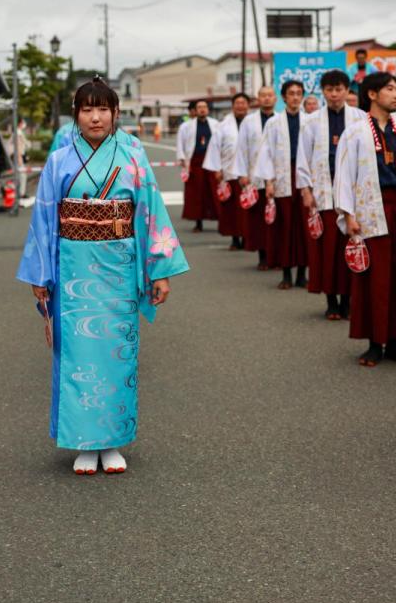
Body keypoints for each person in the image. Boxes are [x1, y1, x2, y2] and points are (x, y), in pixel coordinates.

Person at [17, 78, 188, 475]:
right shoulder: (60, 160)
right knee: (76, 356)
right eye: (87, 109)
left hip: (119, 269)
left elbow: (150, 212)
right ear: (75, 115)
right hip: (73, 271)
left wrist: (159, 272)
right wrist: (40, 273)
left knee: (117, 355)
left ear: (115, 114)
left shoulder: (132, 156)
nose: (95, 117)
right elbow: (44, 219)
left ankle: (112, 441)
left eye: (103, 109)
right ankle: (82, 441)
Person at [333, 72, 396, 367]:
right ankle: (375, 342)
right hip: (372, 208)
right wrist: (348, 214)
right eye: (390, 89)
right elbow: (344, 174)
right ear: (372, 95)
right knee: (375, 278)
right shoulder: (355, 132)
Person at [296, 70, 363, 320]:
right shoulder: (311, 121)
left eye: (339, 89)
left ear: (347, 91)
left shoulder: (360, 118)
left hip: (352, 194)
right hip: (323, 193)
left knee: (351, 246)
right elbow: (303, 157)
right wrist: (305, 189)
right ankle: (331, 301)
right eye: (329, 90)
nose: (334, 94)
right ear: (323, 92)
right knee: (327, 250)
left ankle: (348, 299)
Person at [256, 80, 308, 289]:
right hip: (281, 176)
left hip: (304, 177)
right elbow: (266, 153)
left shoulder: (311, 120)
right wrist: (268, 181)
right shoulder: (274, 123)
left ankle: (302, 274)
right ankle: (286, 273)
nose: (295, 97)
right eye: (291, 93)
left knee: (304, 226)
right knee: (285, 226)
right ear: (284, 97)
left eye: (298, 93)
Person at [235, 85, 276, 268]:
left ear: (275, 99)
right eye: (263, 96)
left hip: (278, 178)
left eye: (270, 95)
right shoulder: (249, 122)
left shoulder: (280, 120)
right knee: (260, 220)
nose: (267, 98)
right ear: (258, 99)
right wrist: (242, 174)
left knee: (277, 220)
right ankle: (263, 257)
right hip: (255, 177)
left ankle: (277, 257)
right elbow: (241, 148)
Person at [204, 92, 250, 250]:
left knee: (248, 209)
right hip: (229, 171)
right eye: (238, 103)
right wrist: (217, 169)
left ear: (248, 106)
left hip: (249, 174)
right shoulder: (223, 125)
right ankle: (235, 239)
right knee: (232, 210)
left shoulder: (253, 123)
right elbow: (214, 147)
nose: (241, 106)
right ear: (233, 106)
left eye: (243, 103)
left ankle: (247, 238)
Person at [178, 98, 219, 231]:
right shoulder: (186, 126)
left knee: (214, 191)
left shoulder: (216, 124)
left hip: (212, 162)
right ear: (195, 110)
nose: (202, 109)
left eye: (204, 107)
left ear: (208, 110)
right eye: (199, 107)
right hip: (195, 161)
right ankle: (198, 222)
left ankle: (219, 219)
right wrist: (183, 161)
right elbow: (180, 144)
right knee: (196, 192)